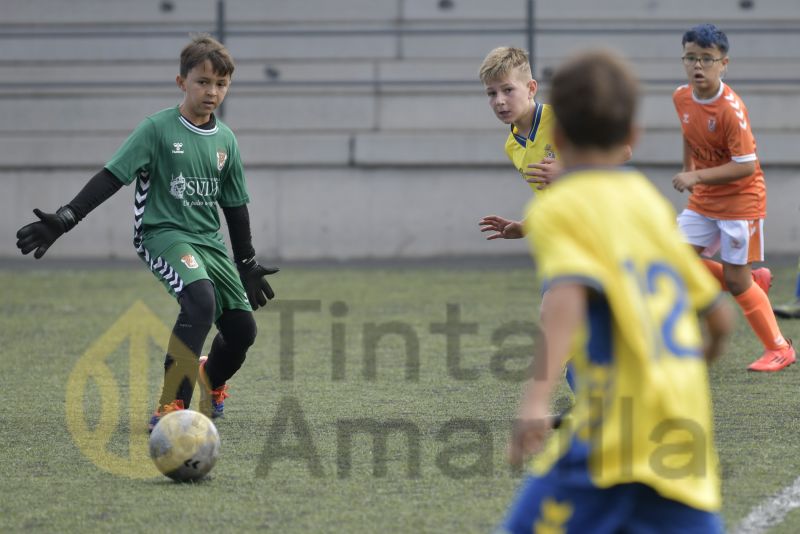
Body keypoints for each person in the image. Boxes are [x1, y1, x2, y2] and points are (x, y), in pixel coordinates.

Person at [499, 50, 734, 534]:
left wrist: (535, 401)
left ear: (557, 139)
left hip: (613, 431)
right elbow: (719, 319)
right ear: (633, 135)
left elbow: (563, 300)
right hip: (683, 431)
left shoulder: (558, 207)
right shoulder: (646, 201)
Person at [15, 34, 278, 431]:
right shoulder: (156, 129)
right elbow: (112, 177)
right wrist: (67, 218)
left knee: (242, 331)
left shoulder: (226, 140)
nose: (212, 92)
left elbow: (235, 206)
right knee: (200, 302)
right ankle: (172, 405)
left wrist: (247, 262)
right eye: (203, 82)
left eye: (221, 84)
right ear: (182, 82)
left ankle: (209, 379)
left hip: (209, 243)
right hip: (162, 234)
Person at [672, 23, 795, 372]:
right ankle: (749, 281)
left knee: (736, 280)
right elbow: (689, 132)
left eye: (707, 59)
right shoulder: (681, 96)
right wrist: (689, 168)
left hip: (741, 202)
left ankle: (780, 348)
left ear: (723, 64)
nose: (698, 65)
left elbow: (746, 166)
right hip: (705, 200)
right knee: (672, 258)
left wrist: (696, 175)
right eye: (691, 57)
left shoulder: (730, 109)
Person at [477, 46, 561, 241]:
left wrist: (568, 170)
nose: (499, 101)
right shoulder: (511, 146)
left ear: (531, 89)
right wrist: (526, 226)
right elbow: (550, 197)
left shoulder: (562, 119)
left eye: (508, 90)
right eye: (492, 93)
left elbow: (620, 151)